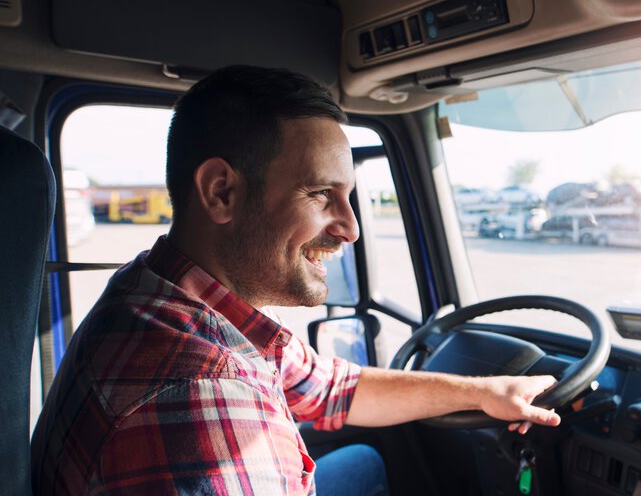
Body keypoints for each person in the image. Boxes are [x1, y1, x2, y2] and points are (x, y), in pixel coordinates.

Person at [31, 65, 561, 495]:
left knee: (363, 461)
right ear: (220, 192)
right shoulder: (205, 401)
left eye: (348, 196)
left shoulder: (163, 288)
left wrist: (487, 391)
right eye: (320, 194)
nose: (351, 228)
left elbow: (331, 388)